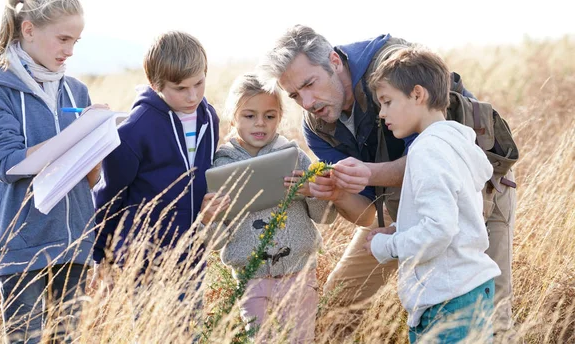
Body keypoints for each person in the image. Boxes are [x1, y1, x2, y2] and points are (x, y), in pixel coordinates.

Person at [258, 25, 516, 334]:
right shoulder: (316, 125)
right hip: (400, 200)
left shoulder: (394, 67)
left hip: (474, 191)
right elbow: (369, 213)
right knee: (339, 301)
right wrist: (338, 193)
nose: (308, 101)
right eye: (295, 95)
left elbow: (437, 159)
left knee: (490, 313)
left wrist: (369, 173)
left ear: (335, 62)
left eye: (310, 84)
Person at [0, 0, 104, 343]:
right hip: (22, 248)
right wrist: (79, 134)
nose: (70, 51)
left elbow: (89, 180)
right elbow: (9, 164)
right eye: (63, 39)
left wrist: (98, 145)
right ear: (28, 29)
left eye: (76, 42)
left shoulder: (77, 92)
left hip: (73, 241)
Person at [365, 46, 500, 342]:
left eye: (387, 102)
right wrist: (400, 228)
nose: (382, 113)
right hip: (465, 289)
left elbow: (439, 229)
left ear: (417, 94)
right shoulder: (455, 141)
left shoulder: (427, 150)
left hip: (450, 301)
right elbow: (451, 214)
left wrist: (386, 246)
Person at [204, 74, 336, 342]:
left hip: (298, 273)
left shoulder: (295, 156)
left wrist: (312, 190)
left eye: (270, 116)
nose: (260, 123)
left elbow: (326, 215)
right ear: (233, 117)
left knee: (300, 339)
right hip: (251, 279)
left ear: (280, 117)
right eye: (249, 116)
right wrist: (209, 218)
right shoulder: (220, 168)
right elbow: (214, 241)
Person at [92, 31, 220, 295]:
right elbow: (109, 194)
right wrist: (100, 254)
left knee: (191, 333)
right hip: (143, 258)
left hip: (193, 252)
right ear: (155, 84)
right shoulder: (134, 131)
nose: (192, 96)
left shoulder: (209, 118)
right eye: (181, 88)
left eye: (199, 83)